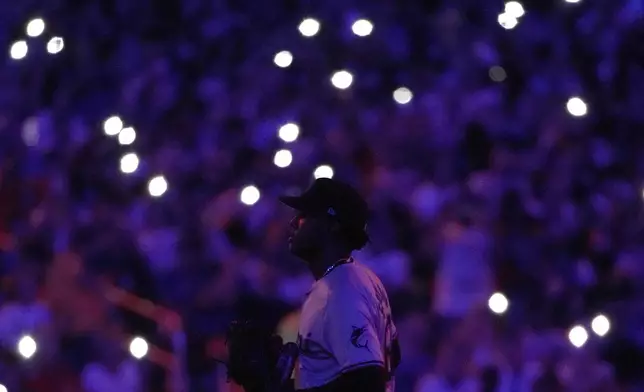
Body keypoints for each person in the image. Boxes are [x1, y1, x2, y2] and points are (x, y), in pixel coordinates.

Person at [279, 178, 401, 392]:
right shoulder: (359, 278)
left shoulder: (342, 290)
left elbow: (367, 379)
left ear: (332, 225)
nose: (294, 222)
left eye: (305, 216)